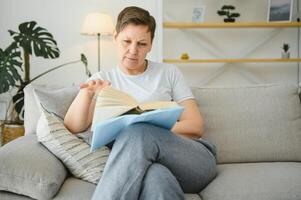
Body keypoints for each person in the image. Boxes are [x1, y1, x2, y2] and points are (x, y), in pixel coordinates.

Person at [64, 6, 216, 200]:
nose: (133, 51)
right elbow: (72, 126)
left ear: (151, 44)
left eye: (142, 44)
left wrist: (147, 127)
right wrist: (87, 94)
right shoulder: (105, 79)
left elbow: (195, 126)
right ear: (115, 37)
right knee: (156, 178)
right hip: (147, 165)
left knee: (138, 132)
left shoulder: (168, 73)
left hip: (193, 161)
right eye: (126, 41)